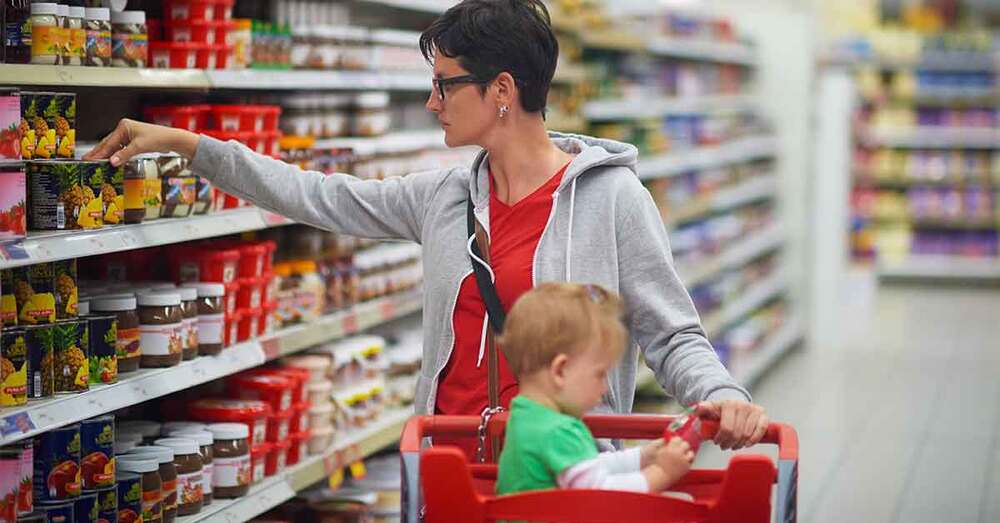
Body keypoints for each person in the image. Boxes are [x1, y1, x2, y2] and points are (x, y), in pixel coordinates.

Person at [85, 0, 767, 454]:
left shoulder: (613, 199)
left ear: (501, 91)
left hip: (563, 470)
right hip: (446, 467)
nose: (431, 100)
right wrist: (187, 143)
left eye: (445, 84)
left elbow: (671, 335)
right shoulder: (442, 197)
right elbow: (316, 194)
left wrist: (724, 398)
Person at [496, 283, 694, 495]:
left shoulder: (524, 417)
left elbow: (586, 466)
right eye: (600, 374)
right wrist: (662, 472)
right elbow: (601, 498)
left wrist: (644, 456)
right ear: (560, 371)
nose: (604, 388)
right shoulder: (559, 432)